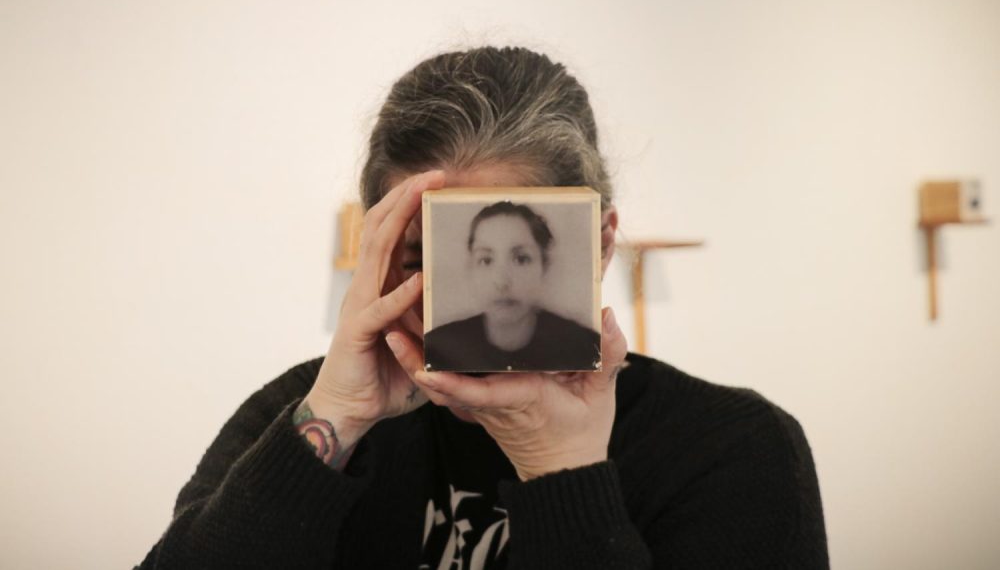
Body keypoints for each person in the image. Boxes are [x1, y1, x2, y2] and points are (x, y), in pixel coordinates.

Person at [138, 46, 829, 569]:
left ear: (599, 243)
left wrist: (561, 469)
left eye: (521, 259)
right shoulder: (303, 417)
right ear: (376, 253)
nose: (485, 299)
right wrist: (335, 422)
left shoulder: (730, 448)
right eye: (422, 262)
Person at [424, 201, 601, 372]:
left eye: (521, 259)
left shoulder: (584, 348)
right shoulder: (437, 347)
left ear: (544, 266)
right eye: (486, 260)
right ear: (470, 267)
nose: (502, 281)